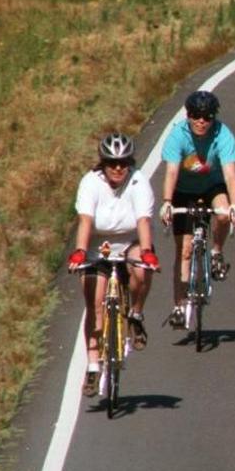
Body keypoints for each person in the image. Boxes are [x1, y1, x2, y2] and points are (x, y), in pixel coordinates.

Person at [67, 133, 160, 396]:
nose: (118, 168)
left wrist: (148, 254)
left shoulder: (139, 182)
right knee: (95, 304)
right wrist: (80, 252)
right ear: (103, 164)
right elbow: (85, 220)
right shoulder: (90, 183)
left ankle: (136, 315)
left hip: (129, 242)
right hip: (98, 247)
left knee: (142, 269)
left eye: (123, 163)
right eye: (112, 163)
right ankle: (94, 366)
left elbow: (143, 221)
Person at [158, 90, 235, 329]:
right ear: (188, 116)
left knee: (223, 213)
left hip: (212, 186)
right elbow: (172, 171)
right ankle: (179, 306)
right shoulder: (177, 135)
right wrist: (166, 202)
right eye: (196, 116)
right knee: (184, 251)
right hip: (183, 191)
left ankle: (216, 251)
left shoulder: (222, 134)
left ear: (213, 117)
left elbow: (230, 173)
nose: (201, 121)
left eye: (207, 116)